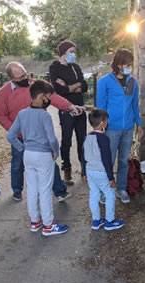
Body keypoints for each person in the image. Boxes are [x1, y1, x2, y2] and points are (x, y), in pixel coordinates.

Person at [0, 61, 84, 202]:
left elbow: (54, 97)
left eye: (25, 74)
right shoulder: (3, 93)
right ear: (11, 78)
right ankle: (17, 190)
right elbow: (0, 116)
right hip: (20, 136)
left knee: (50, 161)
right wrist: (16, 131)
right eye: (20, 77)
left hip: (40, 135)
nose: (25, 78)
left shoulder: (36, 85)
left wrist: (69, 106)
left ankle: (59, 191)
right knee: (18, 163)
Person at [6, 80, 70, 236]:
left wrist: (22, 148)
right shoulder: (44, 115)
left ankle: (35, 221)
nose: (49, 100)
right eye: (48, 97)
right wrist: (56, 152)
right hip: (43, 155)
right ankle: (49, 225)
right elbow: (52, 139)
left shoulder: (22, 114)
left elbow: (11, 136)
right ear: (42, 97)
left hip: (28, 155)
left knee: (32, 188)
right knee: (45, 190)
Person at [96, 48, 143, 204]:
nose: (129, 66)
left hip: (128, 128)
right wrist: (100, 127)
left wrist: (139, 124)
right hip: (111, 129)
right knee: (107, 161)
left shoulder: (132, 82)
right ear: (118, 64)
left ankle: (121, 188)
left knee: (123, 160)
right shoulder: (104, 82)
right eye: (127, 64)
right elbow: (101, 107)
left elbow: (135, 105)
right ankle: (104, 190)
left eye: (131, 64)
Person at [49, 40, 88, 186]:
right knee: (66, 140)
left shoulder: (75, 67)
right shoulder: (55, 67)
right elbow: (59, 91)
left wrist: (71, 86)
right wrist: (73, 86)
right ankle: (67, 170)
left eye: (75, 52)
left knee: (82, 140)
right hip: (66, 110)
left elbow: (84, 86)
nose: (74, 54)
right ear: (64, 52)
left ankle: (84, 169)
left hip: (81, 108)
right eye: (71, 52)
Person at [83, 109, 125, 231]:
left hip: (90, 170)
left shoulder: (87, 137)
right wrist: (111, 177)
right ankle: (110, 221)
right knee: (110, 194)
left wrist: (84, 172)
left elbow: (83, 156)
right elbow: (107, 159)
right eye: (106, 121)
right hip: (101, 172)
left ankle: (96, 221)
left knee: (94, 194)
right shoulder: (104, 139)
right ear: (102, 123)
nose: (107, 123)